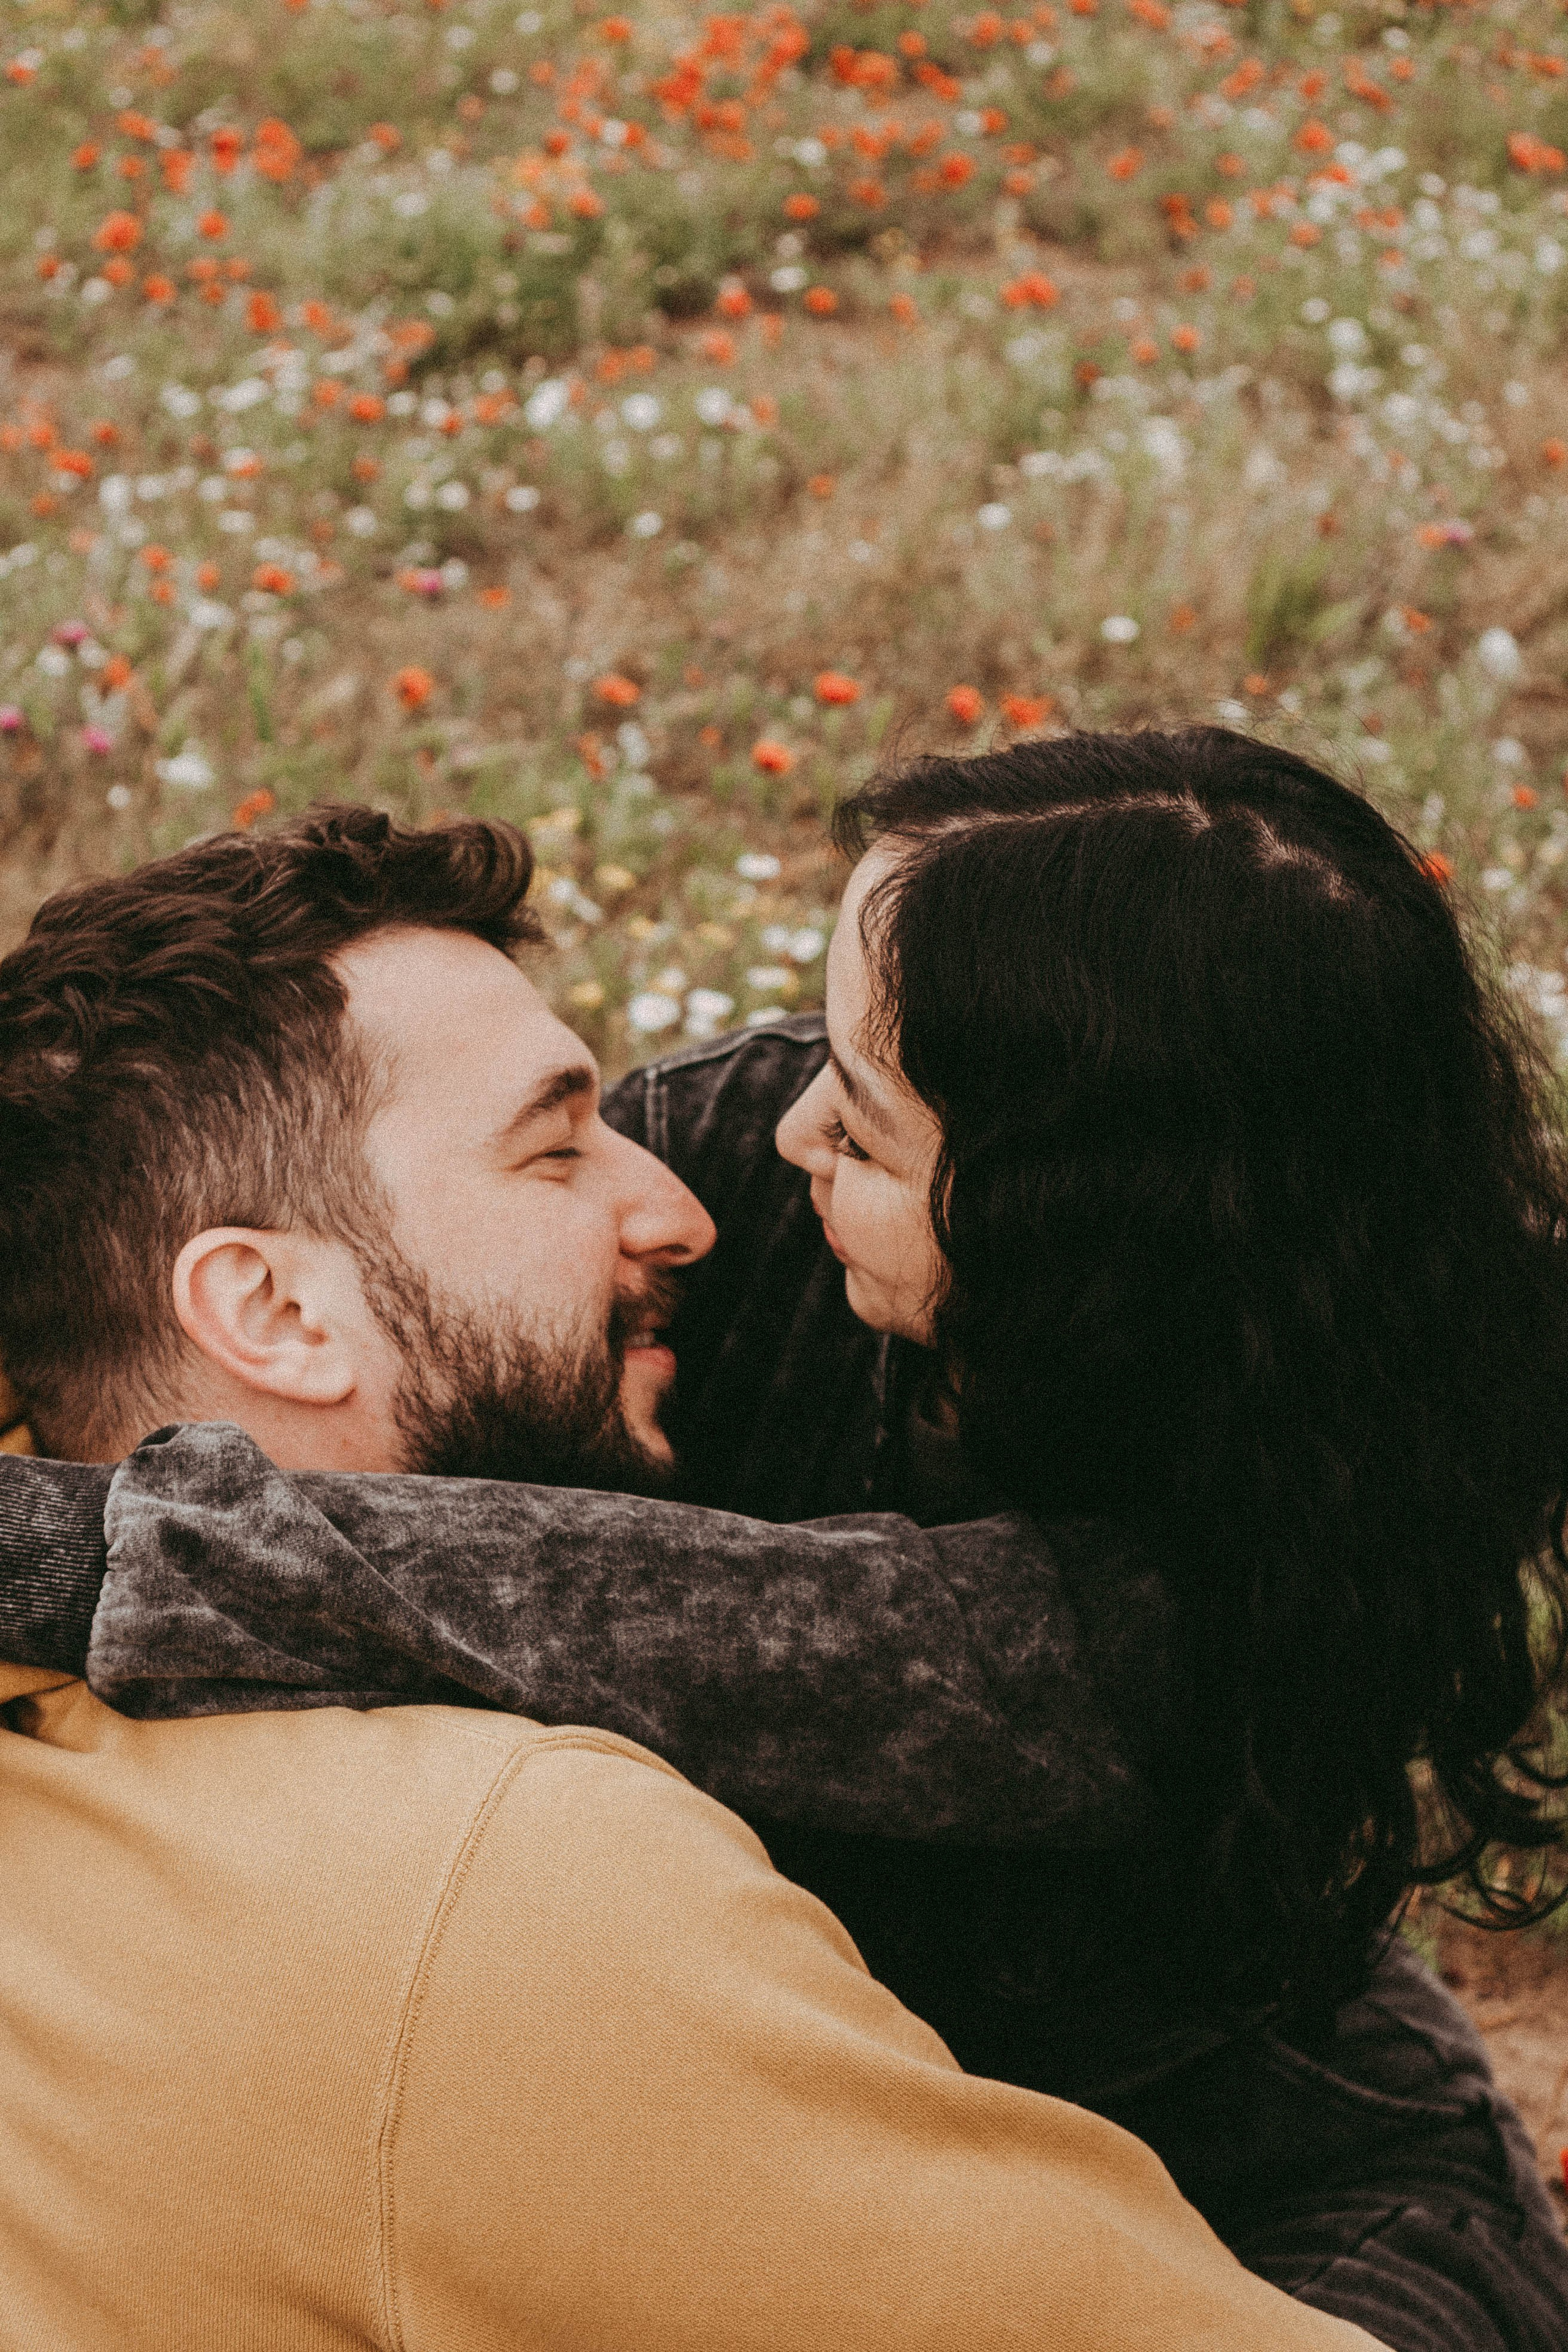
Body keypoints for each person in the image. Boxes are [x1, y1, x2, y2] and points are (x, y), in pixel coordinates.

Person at [0, 750, 1564, 2345]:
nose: (725, 1169)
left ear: (1057, 1242)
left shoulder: (1263, 1524)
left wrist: (141, 1539)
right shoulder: (753, 1160)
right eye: (564, 1144)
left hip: (1220, 2114)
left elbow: (938, 1672)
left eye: (873, 1129)